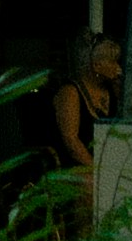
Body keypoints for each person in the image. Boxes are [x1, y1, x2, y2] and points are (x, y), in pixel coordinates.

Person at [48, 30, 123, 214]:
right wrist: (97, 169)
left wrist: (122, 88)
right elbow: (71, 141)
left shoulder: (112, 91)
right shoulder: (70, 92)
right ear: (96, 65)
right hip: (75, 165)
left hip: (109, 162)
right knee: (91, 184)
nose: (118, 67)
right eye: (113, 62)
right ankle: (86, 232)